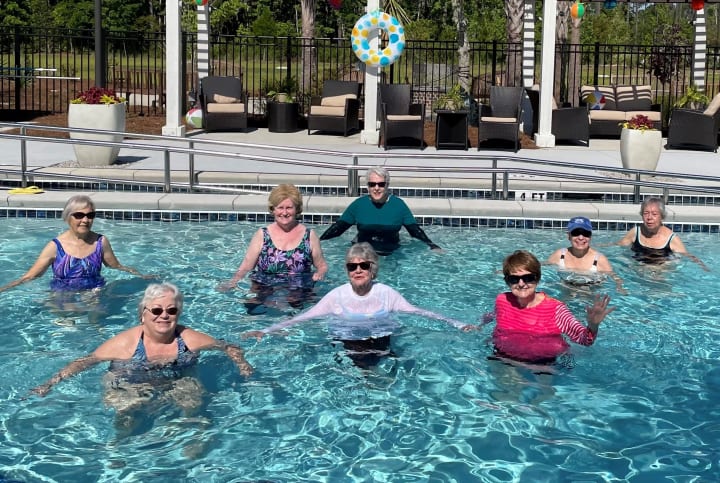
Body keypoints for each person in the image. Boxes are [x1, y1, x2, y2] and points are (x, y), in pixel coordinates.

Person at [244, 242, 472, 369]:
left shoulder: (386, 293)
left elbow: (418, 312)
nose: (358, 270)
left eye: (363, 265)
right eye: (352, 267)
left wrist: (458, 324)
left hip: (382, 343)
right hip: (347, 347)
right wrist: (265, 331)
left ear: (373, 269)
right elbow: (302, 318)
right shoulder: (336, 296)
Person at [31, 283, 253, 404]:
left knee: (192, 395)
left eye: (171, 310)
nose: (164, 316)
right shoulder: (124, 344)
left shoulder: (188, 339)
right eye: (156, 310)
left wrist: (243, 366)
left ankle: (191, 440)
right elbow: (87, 361)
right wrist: (50, 384)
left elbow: (229, 346)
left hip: (175, 383)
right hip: (129, 382)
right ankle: (119, 450)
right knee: (127, 406)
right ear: (143, 314)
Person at [487, 250, 614, 364]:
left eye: (528, 278)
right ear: (506, 281)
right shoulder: (502, 300)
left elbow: (584, 340)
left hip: (543, 364)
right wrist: (478, 326)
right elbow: (494, 315)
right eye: (514, 279)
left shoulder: (556, 309)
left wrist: (593, 325)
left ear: (538, 278)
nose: (521, 284)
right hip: (503, 357)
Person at [217, 184, 328, 314]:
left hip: (298, 287)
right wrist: (233, 281)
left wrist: (320, 273)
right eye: (280, 208)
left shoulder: (309, 235)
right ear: (273, 209)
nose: (284, 212)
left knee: (297, 310)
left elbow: (322, 265)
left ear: (297, 209)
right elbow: (246, 266)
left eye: (289, 208)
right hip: (265, 285)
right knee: (252, 310)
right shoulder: (262, 234)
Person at [0, 195, 145, 293]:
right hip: (63, 297)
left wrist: (142, 277)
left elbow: (116, 266)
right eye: (79, 215)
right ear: (68, 217)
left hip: (94, 294)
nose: (85, 220)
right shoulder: (55, 246)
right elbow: (30, 276)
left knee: (96, 322)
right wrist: (4, 289)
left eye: (90, 215)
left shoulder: (100, 242)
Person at [319, 166, 441, 255]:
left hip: (391, 252)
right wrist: (318, 242)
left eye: (381, 184)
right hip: (363, 253)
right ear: (368, 186)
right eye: (372, 184)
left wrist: (432, 245)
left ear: (387, 185)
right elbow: (338, 228)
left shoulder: (399, 205)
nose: (376, 188)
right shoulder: (359, 204)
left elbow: (415, 231)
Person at [615, 197, 708, 269]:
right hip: (636, 271)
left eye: (654, 214)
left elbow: (685, 257)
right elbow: (617, 246)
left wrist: (702, 266)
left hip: (660, 276)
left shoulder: (672, 239)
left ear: (662, 216)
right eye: (646, 213)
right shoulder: (635, 232)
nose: (649, 217)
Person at [546, 216, 625, 293]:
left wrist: (620, 288)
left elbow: (616, 279)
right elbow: (544, 270)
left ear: (590, 236)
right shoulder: (560, 255)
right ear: (569, 236)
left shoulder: (599, 259)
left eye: (585, 233)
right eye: (576, 233)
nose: (581, 237)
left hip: (589, 296)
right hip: (565, 292)